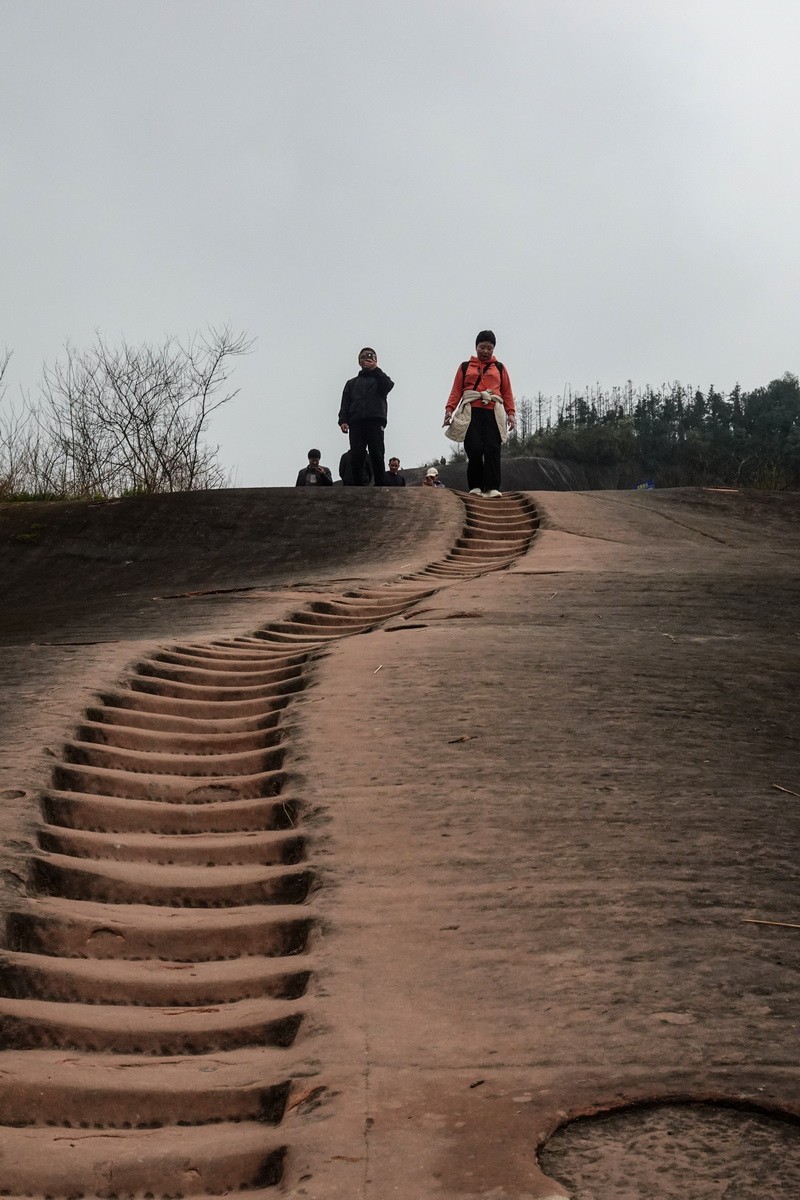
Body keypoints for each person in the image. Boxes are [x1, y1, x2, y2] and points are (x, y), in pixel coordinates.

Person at [443, 330, 516, 497]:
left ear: (493, 349)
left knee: (492, 448)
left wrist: (510, 413)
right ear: (476, 347)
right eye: (482, 347)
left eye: (489, 348)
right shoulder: (465, 367)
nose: (485, 351)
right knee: (473, 447)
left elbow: (507, 392)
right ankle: (476, 486)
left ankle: (492, 488)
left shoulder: (499, 367)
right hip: (471, 411)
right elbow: (456, 391)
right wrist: (449, 410)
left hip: (493, 411)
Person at [338, 347, 394, 486]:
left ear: (375, 359)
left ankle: (380, 484)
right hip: (356, 421)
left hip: (375, 419)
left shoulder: (379, 379)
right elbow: (345, 402)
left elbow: (388, 385)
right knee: (357, 454)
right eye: (363, 357)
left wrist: (376, 369)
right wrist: (343, 420)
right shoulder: (351, 383)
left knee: (377, 453)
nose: (366, 359)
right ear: (359, 361)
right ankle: (358, 485)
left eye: (369, 356)